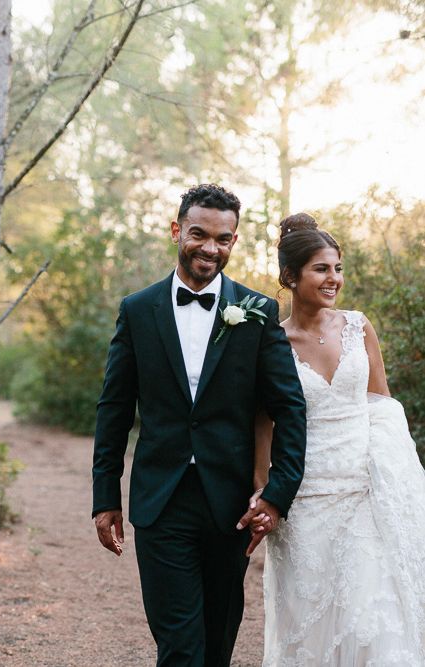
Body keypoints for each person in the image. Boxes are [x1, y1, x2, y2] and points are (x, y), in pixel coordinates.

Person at [91, 184, 307, 667]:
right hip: (160, 502)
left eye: (223, 238)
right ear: (177, 231)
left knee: (216, 645)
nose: (210, 247)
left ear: (233, 241)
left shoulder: (257, 312)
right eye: (199, 234)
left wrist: (276, 493)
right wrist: (105, 495)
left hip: (230, 505)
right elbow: (114, 408)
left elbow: (289, 407)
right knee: (181, 647)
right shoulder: (137, 310)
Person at [257, 212, 425, 664]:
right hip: (304, 498)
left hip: (364, 492)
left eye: (338, 268)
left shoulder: (358, 326)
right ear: (290, 276)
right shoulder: (272, 342)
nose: (334, 279)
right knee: (309, 624)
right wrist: (263, 494)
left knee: (372, 615)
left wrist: (398, 481)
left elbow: (382, 405)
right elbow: (263, 425)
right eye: (321, 269)